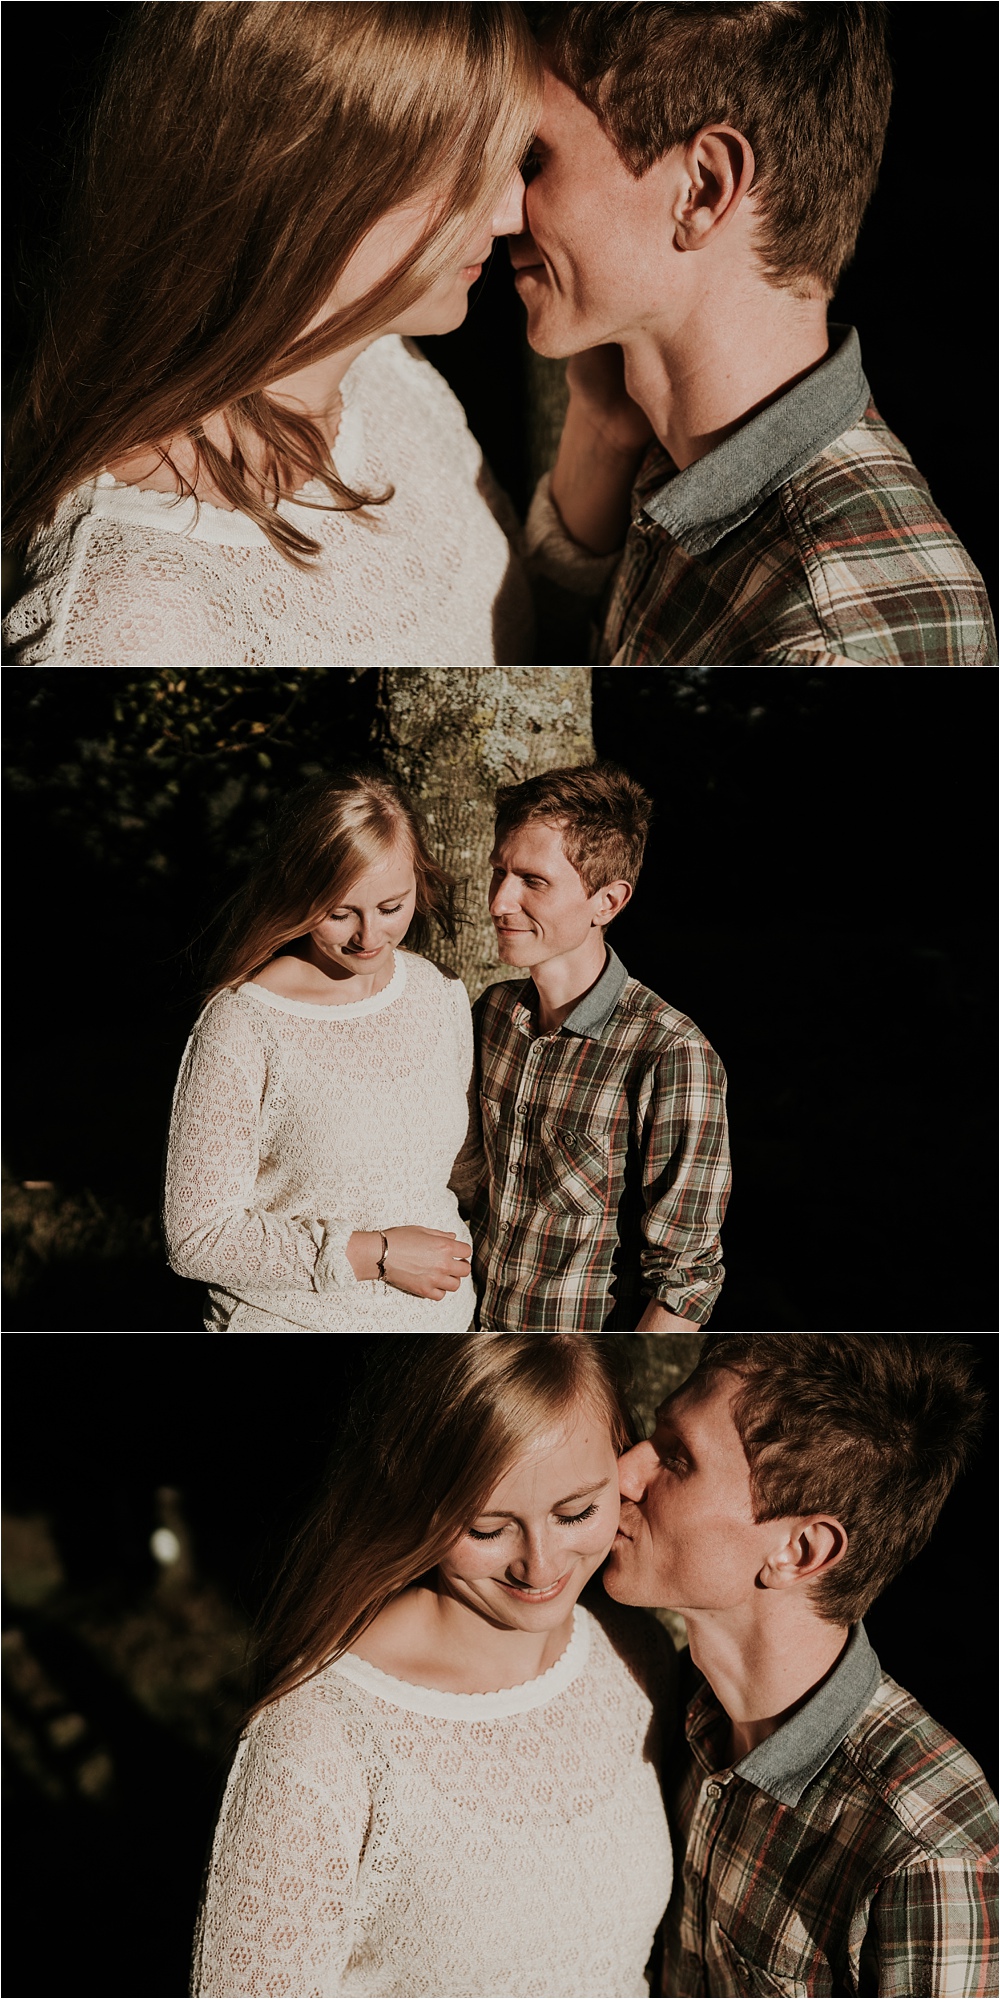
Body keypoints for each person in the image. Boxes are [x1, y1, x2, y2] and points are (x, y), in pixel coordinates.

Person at [3, 2, 539, 666]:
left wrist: (600, 442)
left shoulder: (385, 363)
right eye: (467, 169)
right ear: (305, 178)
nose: (515, 208)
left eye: (513, 155)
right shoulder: (129, 622)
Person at [193, 1333, 677, 1998]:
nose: (540, 1565)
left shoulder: (634, 1651)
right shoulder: (320, 1736)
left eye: (576, 1511)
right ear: (415, 1493)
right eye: (486, 1528)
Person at [515, 3, 998, 667]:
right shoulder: (671, 446)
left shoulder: (831, 638)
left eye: (532, 156)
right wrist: (602, 433)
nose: (501, 201)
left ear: (702, 191)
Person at [605, 1334, 999, 1997]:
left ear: (800, 1548)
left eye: (676, 1457)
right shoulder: (680, 1706)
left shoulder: (928, 1853)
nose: (623, 1473)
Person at [163, 768, 481, 1331]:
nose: (368, 937)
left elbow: (441, 1173)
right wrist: (375, 1254)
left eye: (391, 907)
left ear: (419, 881)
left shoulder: (440, 993)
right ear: (298, 894)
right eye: (339, 913)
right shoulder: (241, 1026)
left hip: (439, 1341)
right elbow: (197, 1238)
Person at [471, 761, 730, 1331]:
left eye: (532, 881)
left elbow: (685, 1280)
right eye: (499, 873)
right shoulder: (492, 1014)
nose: (499, 901)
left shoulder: (671, 1053)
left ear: (607, 902)